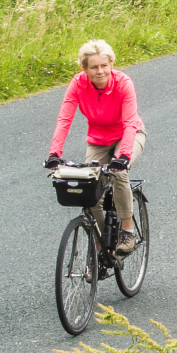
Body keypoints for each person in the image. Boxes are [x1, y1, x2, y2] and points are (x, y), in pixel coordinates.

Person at [46, 39, 147, 256]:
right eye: (94, 67)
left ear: (111, 64)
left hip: (128, 134)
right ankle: (101, 244)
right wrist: (54, 153)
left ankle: (127, 231)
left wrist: (123, 157)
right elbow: (65, 118)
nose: (100, 71)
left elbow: (130, 122)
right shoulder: (78, 83)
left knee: (118, 174)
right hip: (98, 139)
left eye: (104, 66)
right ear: (85, 69)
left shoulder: (123, 83)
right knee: (88, 187)